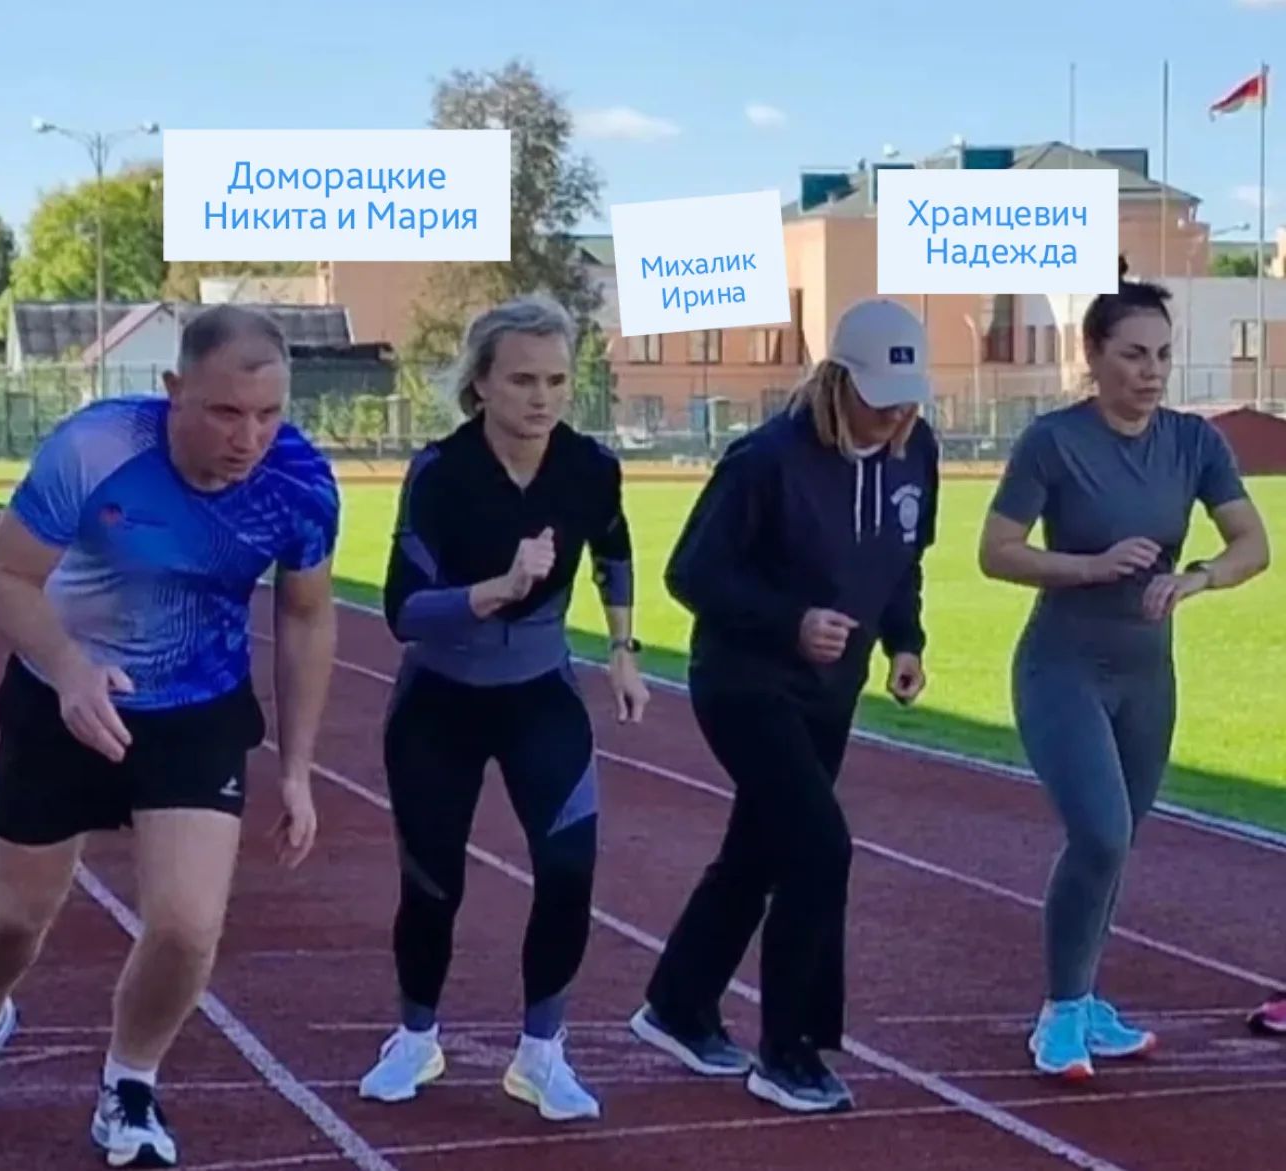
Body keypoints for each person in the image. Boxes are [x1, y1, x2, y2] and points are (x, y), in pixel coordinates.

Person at [0, 305, 343, 1167]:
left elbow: (306, 616)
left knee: (187, 924)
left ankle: (130, 1081)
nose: (248, 437)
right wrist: (70, 669)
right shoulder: (96, 447)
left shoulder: (298, 485)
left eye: (268, 413)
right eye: (225, 411)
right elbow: (3, 575)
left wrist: (298, 769)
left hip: (196, 709)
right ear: (174, 389)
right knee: (13, 917)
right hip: (59, 696)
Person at [627, 298, 940, 1114]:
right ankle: (790, 1049)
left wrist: (905, 642)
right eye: (881, 399)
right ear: (838, 380)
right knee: (819, 847)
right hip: (745, 684)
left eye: (908, 399)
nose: (897, 415)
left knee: (761, 850)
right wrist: (790, 621)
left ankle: (678, 1002)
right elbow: (691, 572)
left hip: (831, 694)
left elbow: (902, 561)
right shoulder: (765, 459)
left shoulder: (918, 451)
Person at [357, 293, 649, 1122]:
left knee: (568, 871)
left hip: (540, 694)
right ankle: (416, 1037)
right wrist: (498, 588)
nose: (542, 396)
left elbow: (614, 546)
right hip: (439, 701)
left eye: (557, 380)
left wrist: (622, 647)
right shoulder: (440, 472)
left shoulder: (590, 466)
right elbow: (403, 610)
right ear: (480, 383)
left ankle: (541, 1054)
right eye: (522, 379)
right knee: (432, 883)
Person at [978, 278, 1270, 1081]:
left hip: (1147, 677)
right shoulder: (1052, 441)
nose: (1152, 372)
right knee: (1101, 831)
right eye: (1134, 355)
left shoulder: (1194, 442)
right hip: (1063, 667)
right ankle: (1061, 1013)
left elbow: (1252, 543)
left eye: (1163, 355)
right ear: (1094, 355)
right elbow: (997, 551)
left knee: (1118, 842)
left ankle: (1086, 1000)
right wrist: (1090, 565)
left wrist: (1197, 577)